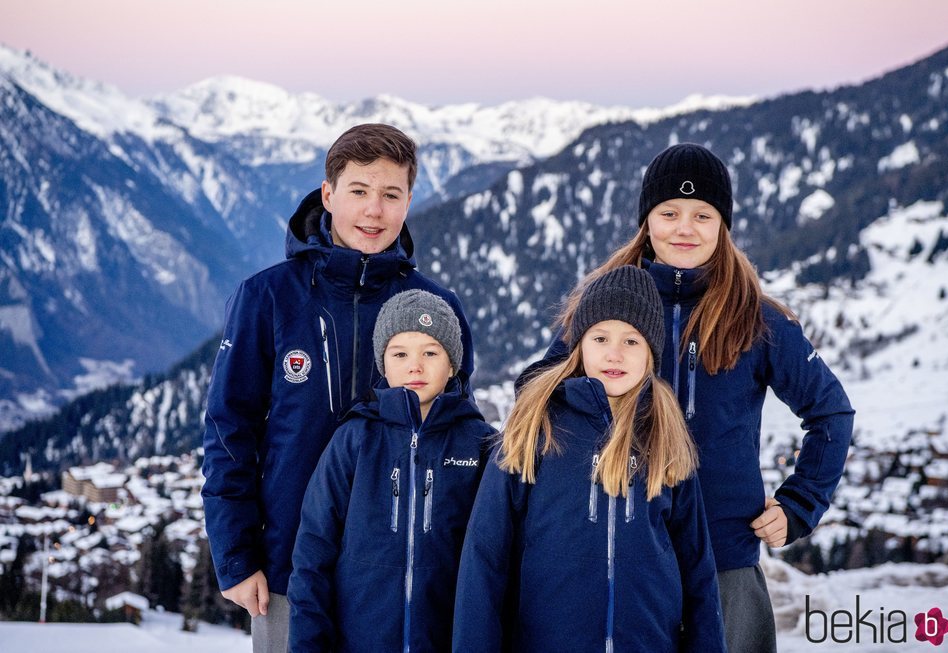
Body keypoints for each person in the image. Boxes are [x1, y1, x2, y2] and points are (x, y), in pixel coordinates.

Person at [537, 143, 855, 652]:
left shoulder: (758, 319)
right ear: (647, 220)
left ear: (723, 225)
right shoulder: (608, 304)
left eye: (702, 215)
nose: (685, 228)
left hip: (725, 558)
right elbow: (540, 389)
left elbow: (832, 412)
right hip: (626, 552)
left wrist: (800, 503)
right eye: (669, 213)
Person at [201, 124, 474, 652]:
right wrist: (235, 555)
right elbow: (228, 429)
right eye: (359, 191)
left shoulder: (436, 310)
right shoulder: (269, 297)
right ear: (328, 195)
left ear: (408, 202)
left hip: (402, 574)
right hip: (286, 566)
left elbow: (453, 432)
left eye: (391, 195)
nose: (374, 210)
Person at [454, 266, 727, 653]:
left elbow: (697, 570)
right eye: (600, 337)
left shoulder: (666, 436)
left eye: (632, 341)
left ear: (652, 353)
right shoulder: (536, 427)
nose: (614, 353)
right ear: (579, 345)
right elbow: (484, 558)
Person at [288, 290, 495, 652]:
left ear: (452, 365)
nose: (415, 366)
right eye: (400, 354)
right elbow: (313, 551)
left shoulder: (481, 446)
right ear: (383, 363)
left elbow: (497, 561)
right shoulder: (354, 439)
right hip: (360, 640)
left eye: (431, 352)